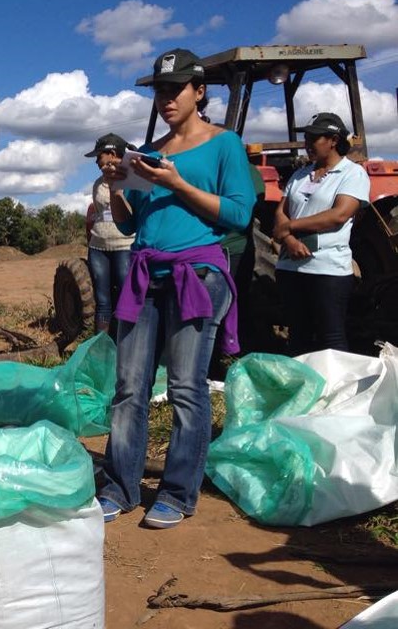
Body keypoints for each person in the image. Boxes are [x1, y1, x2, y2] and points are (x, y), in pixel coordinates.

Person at [97, 48, 255, 529]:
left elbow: (238, 215)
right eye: (160, 90)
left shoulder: (225, 145)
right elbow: (129, 225)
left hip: (197, 276)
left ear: (199, 91)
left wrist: (178, 182)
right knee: (128, 387)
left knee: (187, 388)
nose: (166, 98)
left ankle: (177, 492)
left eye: (175, 89)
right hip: (145, 275)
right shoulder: (150, 151)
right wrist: (121, 187)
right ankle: (120, 487)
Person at [273, 112, 369, 355]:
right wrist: (289, 240)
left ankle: (337, 391)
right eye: (306, 138)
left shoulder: (352, 174)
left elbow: (339, 214)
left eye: (314, 138)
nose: (307, 144)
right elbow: (281, 212)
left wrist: (290, 228)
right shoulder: (300, 174)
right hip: (290, 267)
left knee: (331, 337)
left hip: (327, 269)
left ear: (333, 140)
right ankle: (302, 390)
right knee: (298, 335)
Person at [86, 133, 136, 335]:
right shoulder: (98, 183)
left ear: (112, 153)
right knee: (103, 300)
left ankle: (127, 342)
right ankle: (101, 347)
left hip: (124, 245)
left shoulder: (132, 179)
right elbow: (97, 213)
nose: (97, 161)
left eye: (99, 156)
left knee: (126, 295)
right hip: (98, 247)